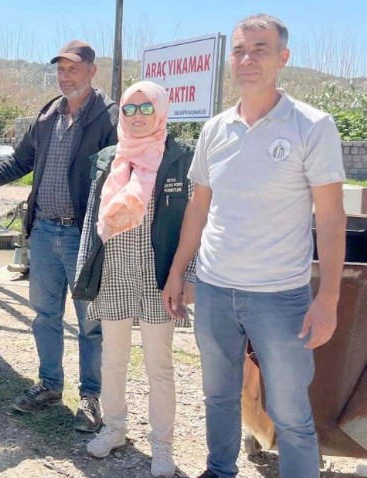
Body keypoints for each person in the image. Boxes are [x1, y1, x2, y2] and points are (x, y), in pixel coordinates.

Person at [162, 14, 346, 478]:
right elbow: (199, 209)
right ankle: (219, 470)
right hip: (216, 291)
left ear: (283, 58)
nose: (247, 59)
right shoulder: (215, 130)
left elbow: (330, 215)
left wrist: (328, 299)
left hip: (281, 298)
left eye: (260, 49)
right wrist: (179, 273)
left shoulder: (312, 125)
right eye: (240, 50)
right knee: (219, 397)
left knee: (291, 416)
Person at [0, 40, 118, 431]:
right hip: (45, 231)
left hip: (83, 236)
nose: (66, 76)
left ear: (92, 71)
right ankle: (50, 386)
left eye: (74, 69)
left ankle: (91, 398)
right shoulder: (49, 116)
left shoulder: (108, 118)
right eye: (61, 70)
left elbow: (121, 173)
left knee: (89, 323)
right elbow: (20, 162)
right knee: (45, 315)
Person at [73, 81, 194, 477]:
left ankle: (162, 446)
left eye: (146, 108)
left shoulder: (179, 158)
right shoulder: (108, 159)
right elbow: (92, 220)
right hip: (115, 273)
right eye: (130, 109)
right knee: (113, 360)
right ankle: (114, 428)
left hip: (158, 277)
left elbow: (196, 224)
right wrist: (84, 275)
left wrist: (187, 275)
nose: (138, 117)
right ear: (121, 113)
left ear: (161, 111)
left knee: (159, 365)